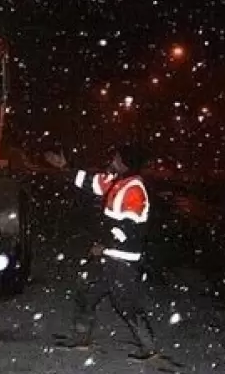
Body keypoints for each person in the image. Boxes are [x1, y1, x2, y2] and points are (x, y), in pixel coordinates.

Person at [44, 144, 159, 360]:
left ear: (126, 163)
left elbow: (128, 229)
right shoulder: (116, 181)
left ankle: (149, 347)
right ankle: (81, 339)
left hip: (122, 259)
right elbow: (90, 182)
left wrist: (105, 246)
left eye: (116, 158)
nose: (112, 160)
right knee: (86, 291)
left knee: (126, 304)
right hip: (109, 256)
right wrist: (65, 167)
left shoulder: (133, 189)